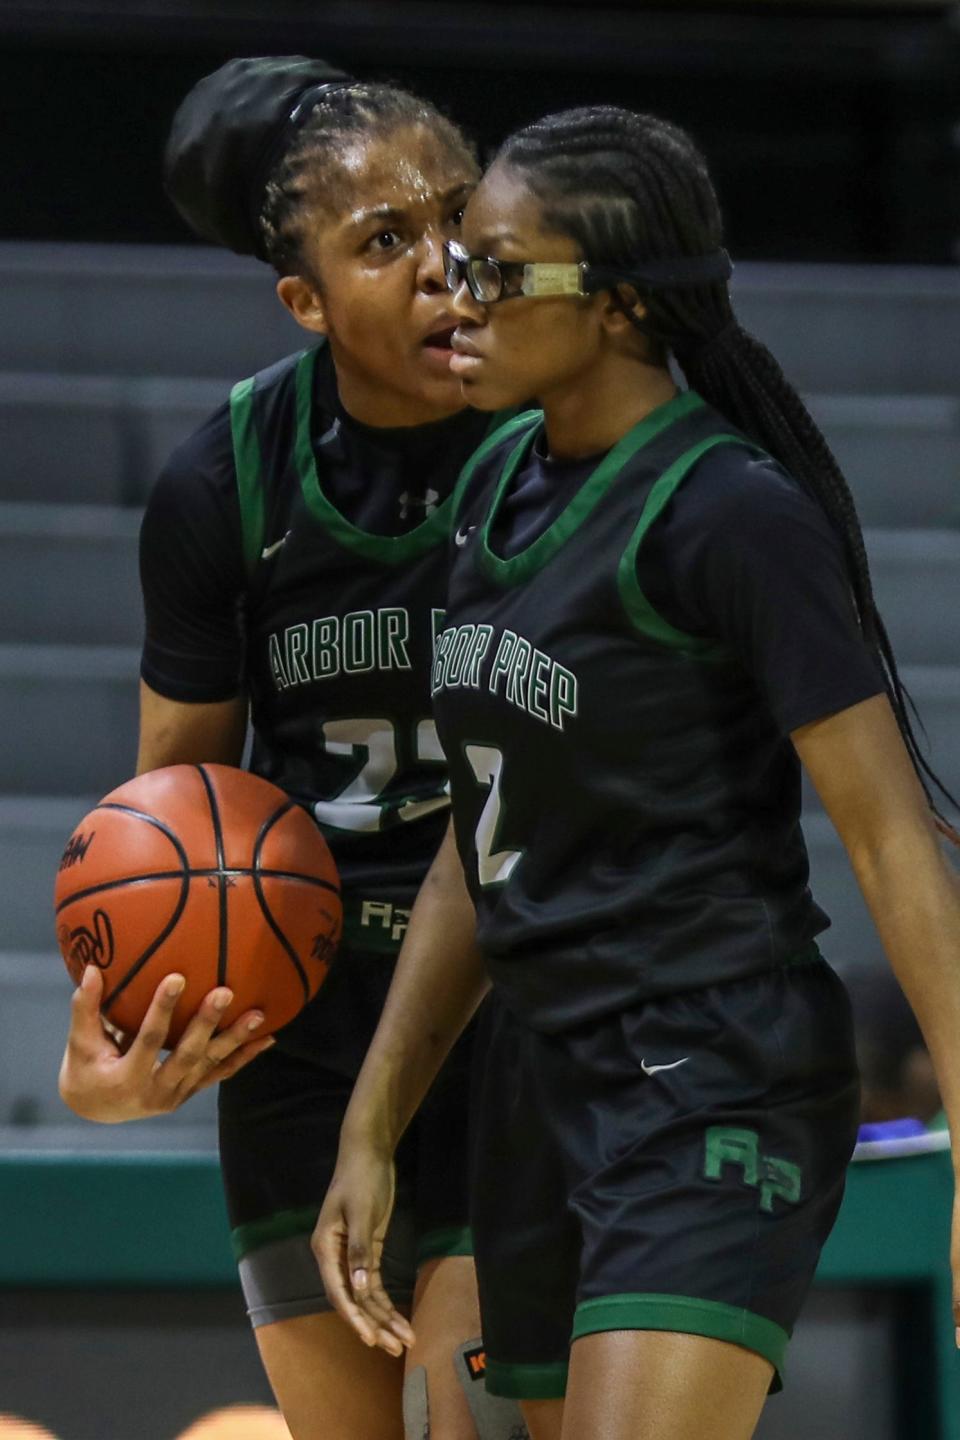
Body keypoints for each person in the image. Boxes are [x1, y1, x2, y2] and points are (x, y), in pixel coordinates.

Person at [314, 106, 960, 1440]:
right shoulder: (495, 485)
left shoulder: (732, 517)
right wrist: (373, 1122)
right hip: (537, 1077)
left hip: (709, 1069)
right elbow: (476, 837)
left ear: (613, 308)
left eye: (495, 267)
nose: (457, 292)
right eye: (451, 257)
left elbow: (892, 838)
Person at [58, 56, 527, 1440]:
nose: (446, 262)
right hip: (307, 1029)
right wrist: (121, 1025)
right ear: (305, 301)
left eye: (459, 216)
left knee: (469, 1417)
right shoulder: (228, 483)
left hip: (517, 1008)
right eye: (388, 241)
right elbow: (175, 816)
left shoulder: (561, 435)